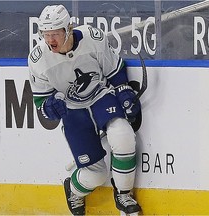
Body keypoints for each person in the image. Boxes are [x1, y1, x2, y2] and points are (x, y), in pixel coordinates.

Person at [28, 4, 142, 215]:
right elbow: (41, 105)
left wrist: (124, 90)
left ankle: (124, 194)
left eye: (55, 34)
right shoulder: (38, 59)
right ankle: (73, 189)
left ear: (68, 29)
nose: (50, 40)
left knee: (123, 135)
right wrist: (50, 108)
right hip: (72, 110)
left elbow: (114, 70)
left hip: (100, 96)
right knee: (96, 175)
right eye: (46, 34)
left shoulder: (93, 38)